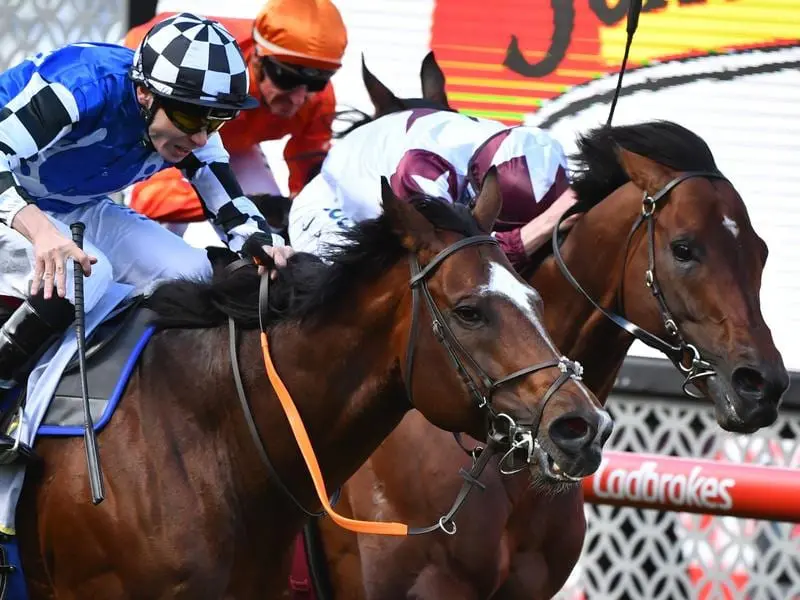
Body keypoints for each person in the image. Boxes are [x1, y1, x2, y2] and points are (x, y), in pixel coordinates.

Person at [0, 13, 294, 451]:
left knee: (191, 272)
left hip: (72, 203)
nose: (198, 137)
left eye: (215, 122)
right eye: (188, 117)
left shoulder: (190, 123)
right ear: (143, 92)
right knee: (82, 278)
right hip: (13, 194)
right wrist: (40, 231)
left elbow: (229, 206)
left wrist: (264, 245)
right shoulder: (81, 86)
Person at [123, 0, 347, 236]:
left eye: (316, 82)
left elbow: (306, 177)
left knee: (271, 224)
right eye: (287, 79)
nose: (298, 98)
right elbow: (150, 199)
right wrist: (245, 201)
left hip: (233, 141)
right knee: (163, 226)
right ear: (258, 60)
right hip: (171, 125)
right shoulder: (213, 77)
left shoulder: (319, 99)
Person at [289, 108, 580, 268]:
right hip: (333, 209)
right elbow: (448, 256)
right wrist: (543, 227)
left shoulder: (525, 149)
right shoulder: (422, 168)